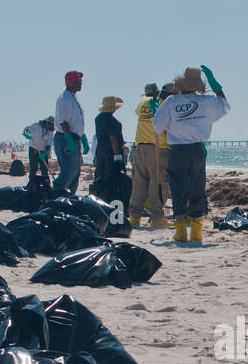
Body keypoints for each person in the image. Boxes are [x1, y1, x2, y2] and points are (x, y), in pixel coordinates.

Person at [150, 66, 229, 245]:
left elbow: (156, 126)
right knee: (197, 187)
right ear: (198, 85)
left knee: (178, 188)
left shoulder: (170, 101)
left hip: (177, 150)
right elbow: (225, 105)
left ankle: (180, 231)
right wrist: (216, 85)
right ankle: (196, 230)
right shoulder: (207, 101)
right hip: (197, 150)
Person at [130, 83, 170, 228]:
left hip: (140, 147)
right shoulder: (162, 104)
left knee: (139, 183)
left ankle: (134, 218)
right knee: (158, 183)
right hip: (157, 148)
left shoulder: (142, 103)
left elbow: (138, 114)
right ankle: (157, 218)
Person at [91, 96, 131, 210]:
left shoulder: (98, 118)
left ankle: (98, 201)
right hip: (110, 153)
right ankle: (110, 202)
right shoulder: (113, 122)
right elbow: (113, 139)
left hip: (100, 151)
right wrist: (118, 155)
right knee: (112, 179)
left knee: (99, 176)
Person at [54, 70, 87, 193]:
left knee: (74, 174)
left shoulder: (73, 98)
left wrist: (82, 137)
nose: (81, 83)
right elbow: (64, 122)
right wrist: (68, 139)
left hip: (73, 138)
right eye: (79, 81)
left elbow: (75, 121)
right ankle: (56, 198)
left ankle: (69, 198)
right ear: (72, 82)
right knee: (68, 173)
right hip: (66, 139)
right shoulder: (64, 98)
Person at [22, 116, 55, 182]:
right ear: (47, 123)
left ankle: (46, 185)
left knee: (44, 169)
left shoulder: (50, 131)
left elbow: (49, 143)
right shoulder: (36, 125)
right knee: (33, 168)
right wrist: (26, 133)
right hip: (33, 149)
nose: (52, 127)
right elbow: (27, 129)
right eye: (51, 125)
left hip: (43, 151)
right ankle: (31, 183)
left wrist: (45, 152)